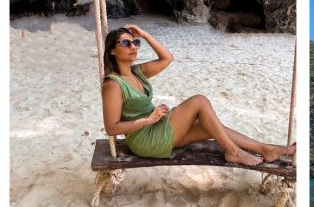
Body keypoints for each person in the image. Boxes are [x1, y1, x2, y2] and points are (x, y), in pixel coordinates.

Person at [100, 25, 296, 166]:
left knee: (211, 126)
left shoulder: (136, 72)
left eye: (135, 42)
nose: (133, 47)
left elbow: (167, 58)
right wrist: (147, 119)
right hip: (144, 138)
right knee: (199, 101)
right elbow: (111, 128)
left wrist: (144, 34)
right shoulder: (113, 85)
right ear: (112, 51)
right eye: (126, 43)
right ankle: (234, 152)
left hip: (157, 125)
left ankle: (265, 149)